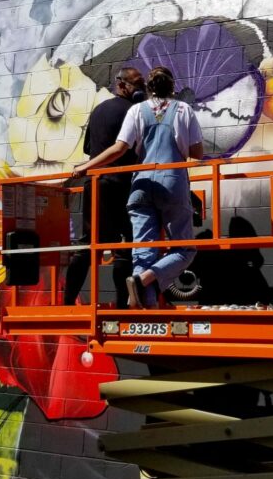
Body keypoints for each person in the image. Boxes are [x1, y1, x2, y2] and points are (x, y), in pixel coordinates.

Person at [73, 66, 204, 308]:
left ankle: (145, 305)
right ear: (172, 86)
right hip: (172, 183)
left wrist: (86, 167)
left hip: (140, 185)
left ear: (149, 89)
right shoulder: (184, 110)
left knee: (143, 253)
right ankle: (144, 280)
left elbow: (119, 148)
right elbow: (197, 152)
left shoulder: (136, 110)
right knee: (185, 249)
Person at [64, 67, 146, 307]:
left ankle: (68, 301)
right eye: (136, 85)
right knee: (125, 246)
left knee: (88, 243)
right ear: (121, 84)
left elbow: (91, 150)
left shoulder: (99, 110)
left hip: (96, 184)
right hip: (124, 184)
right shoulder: (135, 111)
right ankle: (122, 305)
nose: (139, 91)